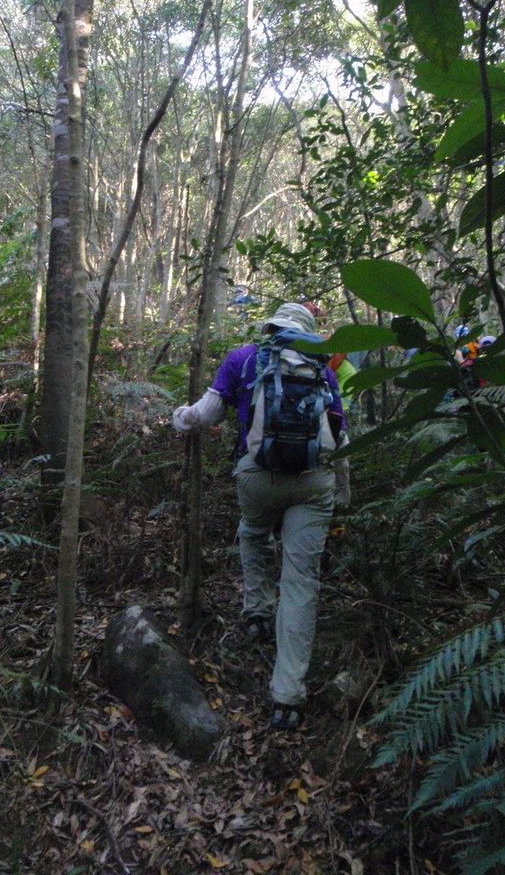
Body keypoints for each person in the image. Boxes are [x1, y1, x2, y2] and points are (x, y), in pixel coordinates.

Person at [172, 302, 348, 731]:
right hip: (312, 483)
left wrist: (180, 419)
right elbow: (340, 435)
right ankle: (287, 694)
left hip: (257, 477)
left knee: (253, 530)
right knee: (301, 580)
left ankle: (257, 612)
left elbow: (206, 415)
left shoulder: (244, 358)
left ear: (271, 327)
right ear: (308, 332)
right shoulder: (321, 367)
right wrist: (342, 492)